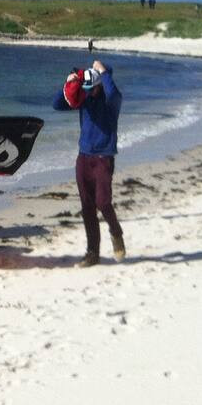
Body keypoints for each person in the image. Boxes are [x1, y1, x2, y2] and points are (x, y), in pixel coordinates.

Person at [53, 60, 125, 267]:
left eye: (92, 87)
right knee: (87, 207)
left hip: (103, 158)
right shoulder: (84, 98)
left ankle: (116, 232)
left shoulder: (111, 102)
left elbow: (114, 94)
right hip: (83, 157)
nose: (89, 91)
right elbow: (58, 104)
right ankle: (92, 253)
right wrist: (68, 83)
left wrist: (102, 71)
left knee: (103, 202)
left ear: (100, 84)